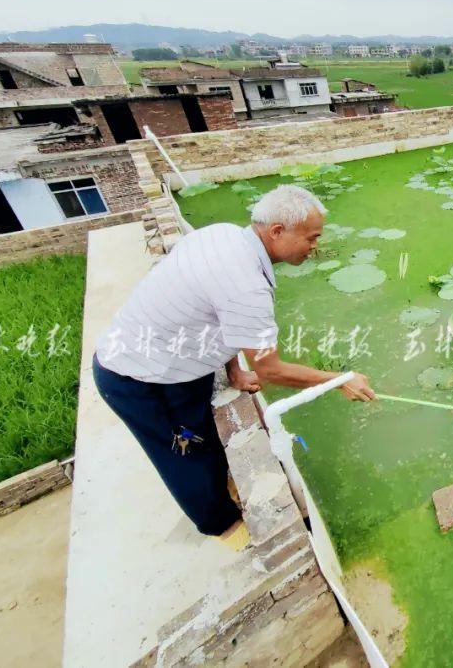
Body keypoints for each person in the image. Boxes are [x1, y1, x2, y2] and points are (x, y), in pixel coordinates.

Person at [92, 184, 375, 548]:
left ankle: (220, 488)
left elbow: (220, 319)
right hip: (137, 376)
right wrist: (339, 379)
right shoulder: (246, 285)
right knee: (184, 454)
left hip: (175, 360)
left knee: (202, 436)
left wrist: (235, 373)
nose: (314, 247)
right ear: (277, 232)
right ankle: (224, 528)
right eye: (311, 237)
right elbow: (271, 369)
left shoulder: (224, 234)